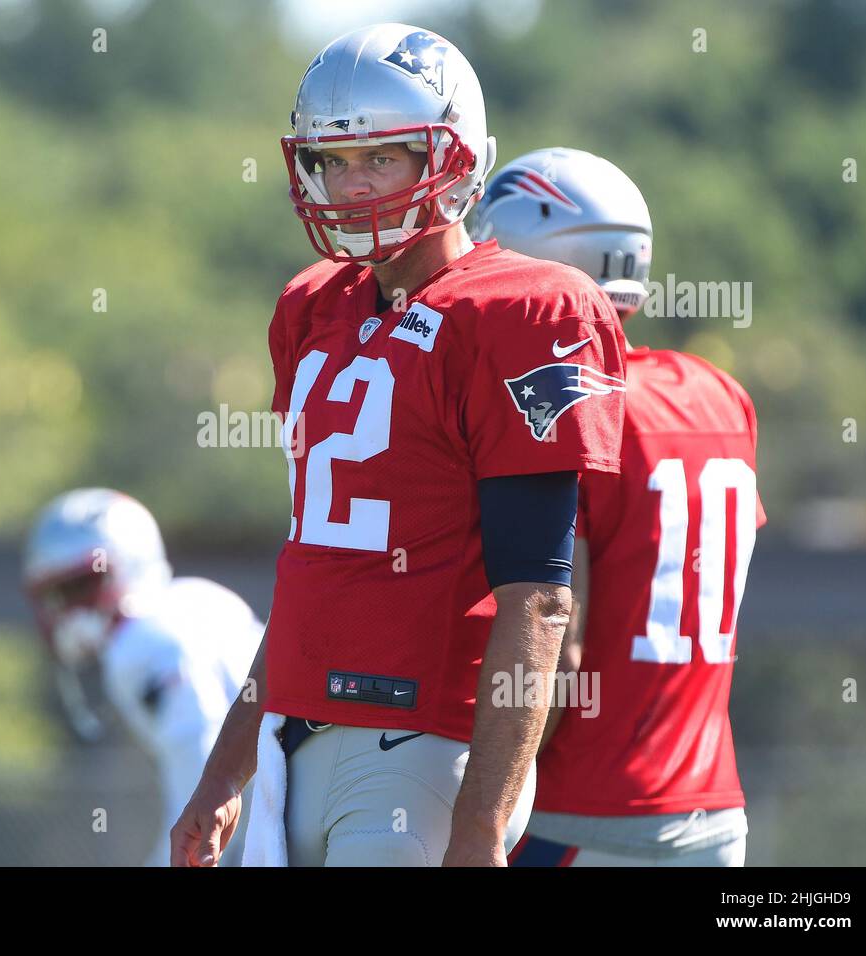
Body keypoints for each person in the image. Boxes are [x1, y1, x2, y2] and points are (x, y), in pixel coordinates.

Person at [170, 24, 628, 867]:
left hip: (420, 745)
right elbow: (319, 564)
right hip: (291, 745)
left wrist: (483, 825)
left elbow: (540, 599)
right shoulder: (315, 308)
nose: (351, 186)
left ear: (449, 156)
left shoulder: (520, 314)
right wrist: (227, 765)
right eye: (331, 163)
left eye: (380, 158)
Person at [474, 147, 762, 866]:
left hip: (582, 817)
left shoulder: (569, 409)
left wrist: (479, 805)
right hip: (715, 815)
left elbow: (557, 648)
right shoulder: (719, 394)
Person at [23, 487, 261, 866]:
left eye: (82, 586)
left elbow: (199, 752)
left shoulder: (138, 645)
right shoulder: (199, 597)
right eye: (60, 593)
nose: (69, 608)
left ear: (131, 562)